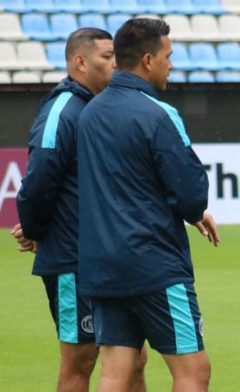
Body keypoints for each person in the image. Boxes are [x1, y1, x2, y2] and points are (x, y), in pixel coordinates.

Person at [77, 18, 219, 391]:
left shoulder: (89, 113)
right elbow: (191, 193)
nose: (171, 64)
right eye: (168, 56)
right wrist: (192, 211)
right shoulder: (159, 113)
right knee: (193, 371)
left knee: (113, 373)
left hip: (102, 266)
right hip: (154, 265)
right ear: (147, 60)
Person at [13, 28, 147, 392]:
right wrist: (37, 229)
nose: (116, 63)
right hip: (74, 259)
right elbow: (39, 180)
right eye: (107, 56)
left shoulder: (99, 107)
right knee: (81, 359)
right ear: (80, 62)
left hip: (112, 257)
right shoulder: (62, 110)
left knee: (133, 357)